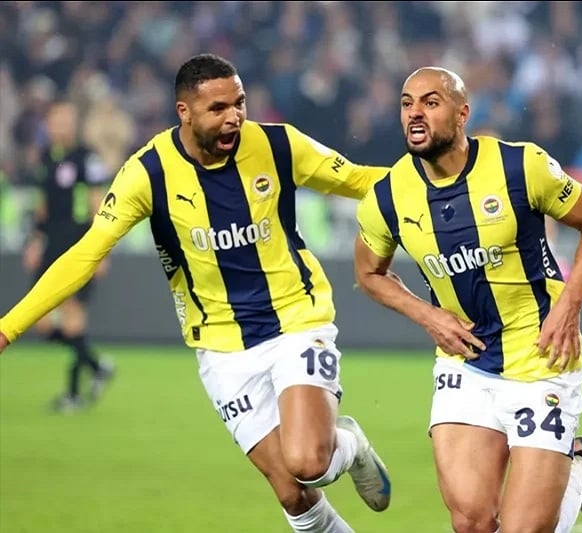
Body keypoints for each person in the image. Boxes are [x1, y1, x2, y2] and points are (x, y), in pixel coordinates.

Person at [0, 53, 391, 532]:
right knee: (293, 493)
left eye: (239, 103)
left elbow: (359, 179)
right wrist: (8, 328)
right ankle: (340, 450)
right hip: (220, 348)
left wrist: (440, 178)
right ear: (184, 112)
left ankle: (348, 446)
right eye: (218, 108)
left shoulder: (277, 144)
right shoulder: (149, 172)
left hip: (296, 320)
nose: (234, 117)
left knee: (309, 461)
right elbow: (86, 253)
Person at [354, 67, 582, 533]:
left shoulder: (520, 166)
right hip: (466, 361)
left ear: (462, 114)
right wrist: (428, 316)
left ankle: (579, 464)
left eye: (431, 102)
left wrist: (569, 306)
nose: (415, 113)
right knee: (471, 522)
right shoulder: (388, 197)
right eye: (407, 103)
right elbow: (369, 273)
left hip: (539, 355)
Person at [22, 99, 115, 413]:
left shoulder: (87, 157)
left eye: (67, 119)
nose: (62, 125)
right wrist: (35, 240)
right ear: (47, 124)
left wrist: (101, 251)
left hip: (79, 246)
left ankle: (74, 394)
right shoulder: (45, 158)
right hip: (51, 246)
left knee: (74, 316)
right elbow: (42, 205)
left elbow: (98, 205)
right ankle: (96, 365)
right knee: (42, 322)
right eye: (56, 120)